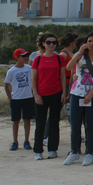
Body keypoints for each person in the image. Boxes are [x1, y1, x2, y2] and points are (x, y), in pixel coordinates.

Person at [64, 33, 93, 166]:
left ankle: (89, 152)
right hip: (77, 92)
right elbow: (68, 67)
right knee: (75, 124)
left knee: (89, 124)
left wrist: (91, 93)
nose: (91, 44)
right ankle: (74, 151)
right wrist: (79, 52)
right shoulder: (80, 55)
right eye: (89, 41)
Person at [30, 32, 66, 160]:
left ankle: (52, 149)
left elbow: (62, 76)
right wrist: (35, 94)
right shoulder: (38, 59)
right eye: (49, 42)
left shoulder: (59, 58)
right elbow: (33, 78)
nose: (51, 45)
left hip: (56, 93)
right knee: (40, 123)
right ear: (43, 44)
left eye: (54, 42)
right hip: (41, 94)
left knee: (54, 123)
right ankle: (38, 151)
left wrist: (64, 93)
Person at [4, 48, 33, 151]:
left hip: (28, 97)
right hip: (16, 98)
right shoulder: (12, 71)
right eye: (23, 56)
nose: (25, 58)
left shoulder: (29, 68)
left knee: (27, 120)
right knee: (16, 120)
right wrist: (10, 98)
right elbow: (6, 85)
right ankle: (15, 141)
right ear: (17, 58)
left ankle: (27, 140)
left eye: (26, 56)